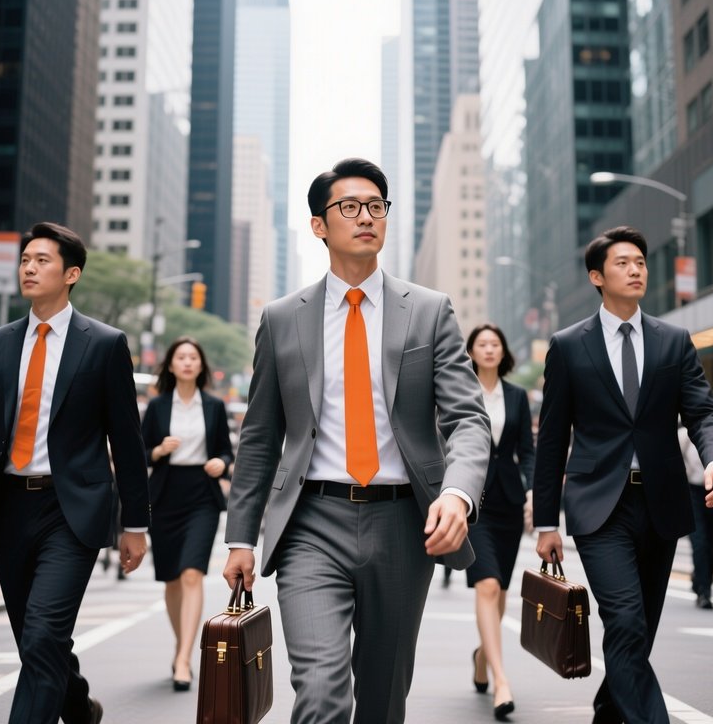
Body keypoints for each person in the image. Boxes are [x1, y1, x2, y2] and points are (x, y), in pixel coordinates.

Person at [223, 158, 491, 724]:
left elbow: (468, 418)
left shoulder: (429, 310)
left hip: (403, 525)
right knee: (320, 692)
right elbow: (261, 436)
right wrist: (241, 537)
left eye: (376, 206)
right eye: (349, 207)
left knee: (382, 698)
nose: (366, 216)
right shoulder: (280, 319)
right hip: (310, 524)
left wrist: (459, 495)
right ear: (319, 225)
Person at [0, 222, 150, 724]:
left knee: (42, 635)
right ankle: (79, 708)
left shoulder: (103, 344)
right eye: (25, 260)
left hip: (71, 510)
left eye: (43, 261)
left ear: (71, 273)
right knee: (37, 640)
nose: (29, 268)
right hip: (10, 507)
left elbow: (126, 441)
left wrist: (137, 525)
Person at [533, 226, 713, 724]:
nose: (636, 269)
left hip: (662, 504)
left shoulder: (674, 341)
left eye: (641, 262)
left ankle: (609, 715)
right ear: (597, 276)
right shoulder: (568, 346)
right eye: (623, 262)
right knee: (623, 619)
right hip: (600, 507)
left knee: (635, 633)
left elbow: (704, 413)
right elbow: (553, 439)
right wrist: (545, 524)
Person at [141, 336, 233, 691]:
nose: (187, 362)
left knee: (193, 573)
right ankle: (181, 647)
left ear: (201, 365)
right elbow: (140, 454)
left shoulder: (213, 406)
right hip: (165, 496)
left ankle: (183, 658)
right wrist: (159, 450)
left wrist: (219, 463)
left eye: (193, 357)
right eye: (180, 357)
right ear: (170, 365)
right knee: (172, 579)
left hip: (201, 495)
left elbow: (226, 452)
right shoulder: (158, 406)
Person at [464, 324, 534, 720]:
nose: (489, 349)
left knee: (501, 589)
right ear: (471, 352)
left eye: (495, 344)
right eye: (482, 344)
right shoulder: (460, 390)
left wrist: (531, 494)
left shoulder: (518, 396)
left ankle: (480, 656)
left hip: (508, 502)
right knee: (487, 584)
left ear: (503, 351)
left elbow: (528, 449)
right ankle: (501, 679)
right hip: (472, 502)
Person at [678, 419, 713, 608]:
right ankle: (704, 592)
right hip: (692, 491)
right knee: (699, 542)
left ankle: (700, 577)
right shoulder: (684, 436)